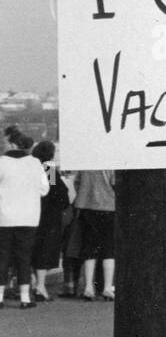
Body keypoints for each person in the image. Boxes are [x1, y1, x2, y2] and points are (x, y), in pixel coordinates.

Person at [0, 132, 49, 309]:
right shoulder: (36, 163)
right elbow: (45, 189)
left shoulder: (1, 162)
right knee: (24, 257)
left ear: (13, 145)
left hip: (4, 217)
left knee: (2, 257)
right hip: (29, 217)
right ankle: (25, 298)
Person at [30, 141, 70, 302]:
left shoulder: (32, 167)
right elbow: (59, 194)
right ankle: (40, 287)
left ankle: (34, 284)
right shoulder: (49, 169)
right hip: (49, 218)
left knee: (33, 251)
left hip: (32, 214)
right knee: (44, 252)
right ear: (50, 153)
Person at [73, 168, 116, 300]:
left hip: (86, 207)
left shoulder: (84, 165)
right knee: (109, 249)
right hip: (109, 207)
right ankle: (108, 287)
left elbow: (76, 183)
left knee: (89, 248)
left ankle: (88, 287)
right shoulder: (110, 165)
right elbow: (115, 183)